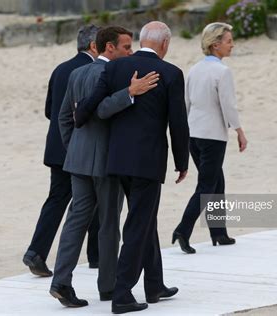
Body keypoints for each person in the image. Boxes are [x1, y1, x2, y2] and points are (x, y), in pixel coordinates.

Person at [75, 21, 190, 314]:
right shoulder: (171, 73)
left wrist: (84, 112)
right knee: (138, 224)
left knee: (145, 220)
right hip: (147, 160)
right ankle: (122, 293)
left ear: (141, 41)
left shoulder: (115, 68)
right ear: (164, 44)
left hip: (117, 159)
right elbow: (177, 122)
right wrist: (182, 161)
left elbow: (88, 108)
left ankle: (155, 284)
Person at [49, 26, 160, 308]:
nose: (130, 52)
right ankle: (109, 287)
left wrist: (74, 148)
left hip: (77, 160)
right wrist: (130, 92)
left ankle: (61, 281)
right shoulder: (111, 74)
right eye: (125, 47)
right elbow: (102, 109)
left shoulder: (76, 73)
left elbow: (64, 118)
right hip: (107, 161)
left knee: (75, 222)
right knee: (109, 225)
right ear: (109, 48)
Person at [22, 25, 101, 276]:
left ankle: (36, 251)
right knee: (93, 198)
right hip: (79, 146)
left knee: (58, 199)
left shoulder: (60, 68)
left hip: (57, 145)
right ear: (93, 46)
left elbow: (50, 111)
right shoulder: (90, 71)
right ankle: (214, 233)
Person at [172, 22, 248, 254]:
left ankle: (219, 233)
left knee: (216, 182)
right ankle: (183, 230)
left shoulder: (194, 69)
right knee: (206, 186)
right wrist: (239, 131)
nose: (232, 45)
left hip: (193, 134)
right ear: (216, 45)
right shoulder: (222, 72)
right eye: (228, 41)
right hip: (212, 137)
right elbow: (228, 105)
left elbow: (185, 103)